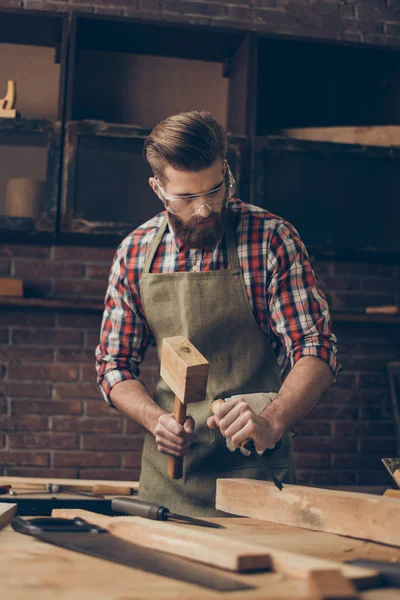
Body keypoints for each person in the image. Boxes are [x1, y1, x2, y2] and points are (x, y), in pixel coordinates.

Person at [96, 110, 340, 517]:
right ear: (158, 188)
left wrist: (273, 419)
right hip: (169, 486)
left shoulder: (272, 240)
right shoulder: (134, 253)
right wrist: (157, 420)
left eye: (215, 190)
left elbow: (315, 348)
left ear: (225, 170)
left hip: (257, 478)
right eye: (188, 198)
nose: (206, 209)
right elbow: (113, 366)